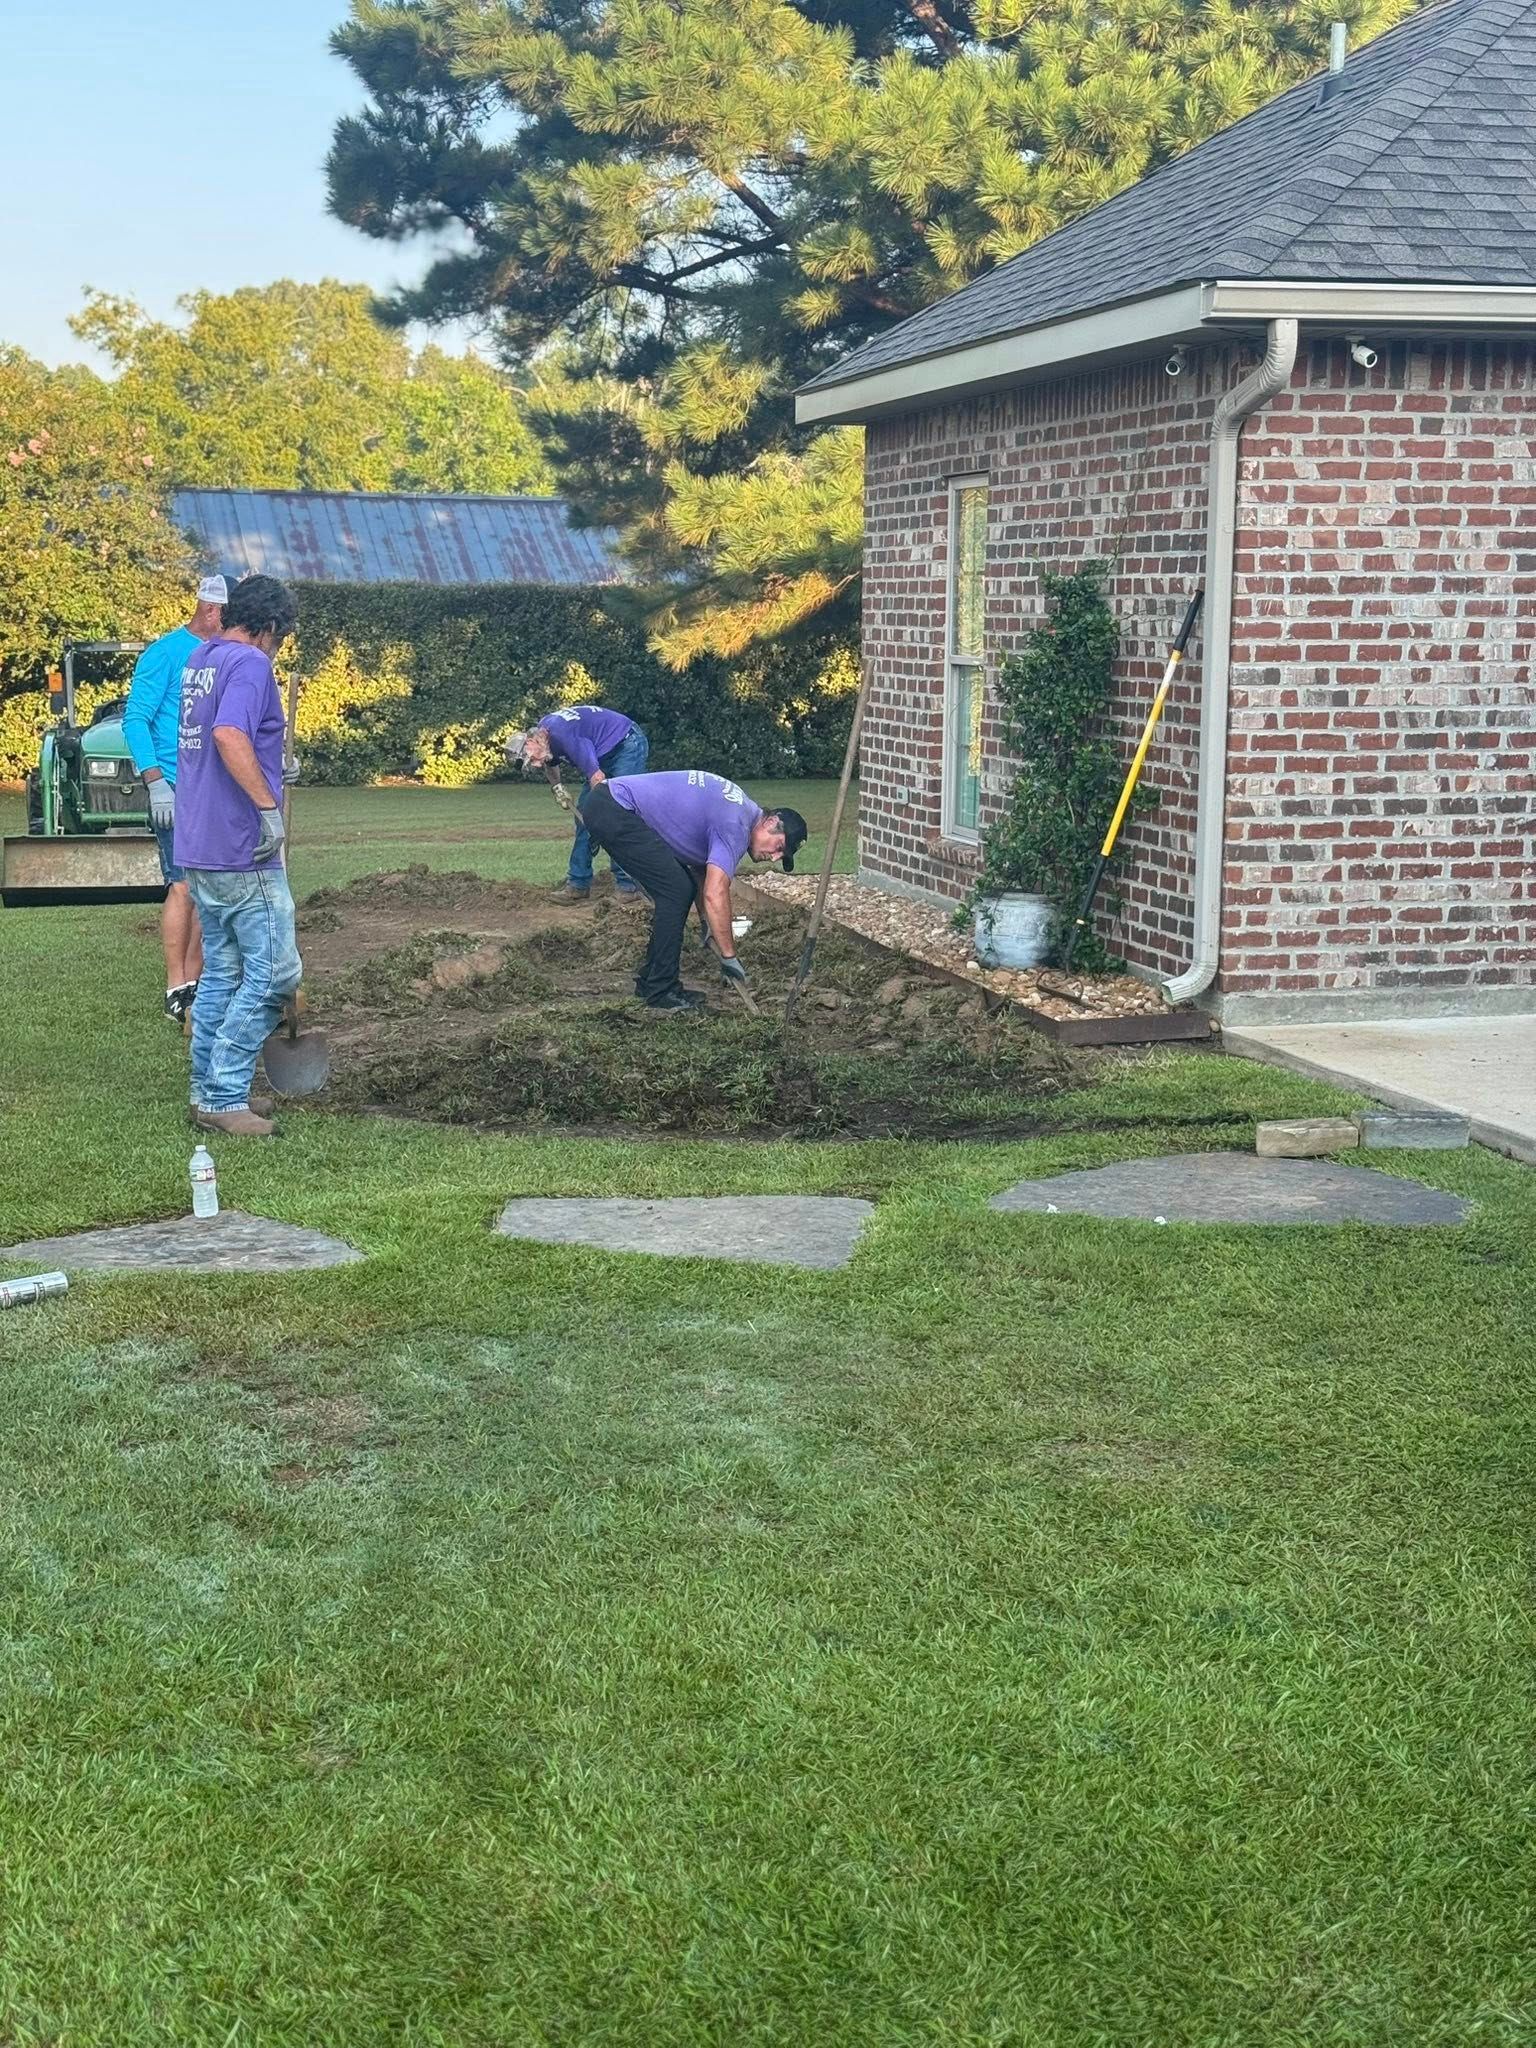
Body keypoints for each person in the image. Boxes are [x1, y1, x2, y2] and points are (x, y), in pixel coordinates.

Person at [174, 574, 302, 1138]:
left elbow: (225, 736)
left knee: (223, 970)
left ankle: (206, 1093)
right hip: (240, 845)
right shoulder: (252, 663)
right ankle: (227, 1096)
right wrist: (267, 804)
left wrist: (274, 765)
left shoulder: (203, 657)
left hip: (199, 840)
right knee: (276, 972)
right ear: (270, 627)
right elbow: (229, 736)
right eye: (281, 638)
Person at [577, 770, 807, 1012]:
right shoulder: (735, 825)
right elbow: (715, 892)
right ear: (771, 822)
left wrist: (708, 922)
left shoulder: (741, 813)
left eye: (782, 856)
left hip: (609, 804)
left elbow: (701, 871)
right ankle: (661, 991)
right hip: (615, 808)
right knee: (675, 891)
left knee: (679, 889)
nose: (774, 858)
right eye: (779, 847)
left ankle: (651, 982)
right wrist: (729, 956)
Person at [122, 575, 227, 1022]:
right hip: (175, 790)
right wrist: (154, 782)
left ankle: (196, 982)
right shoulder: (164, 654)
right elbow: (135, 720)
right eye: (228, 616)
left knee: (211, 889)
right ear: (210, 610)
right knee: (183, 886)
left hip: (214, 792)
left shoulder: (225, 656)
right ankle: (175, 986)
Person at [506, 705, 650, 902]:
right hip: (603, 752)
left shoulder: (565, 736)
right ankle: (578, 884)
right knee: (583, 817)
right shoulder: (545, 737)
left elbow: (596, 778)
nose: (536, 765)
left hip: (626, 743)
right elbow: (550, 763)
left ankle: (628, 886)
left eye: (531, 760)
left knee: (618, 813)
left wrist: (601, 819)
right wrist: (558, 788)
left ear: (531, 742)